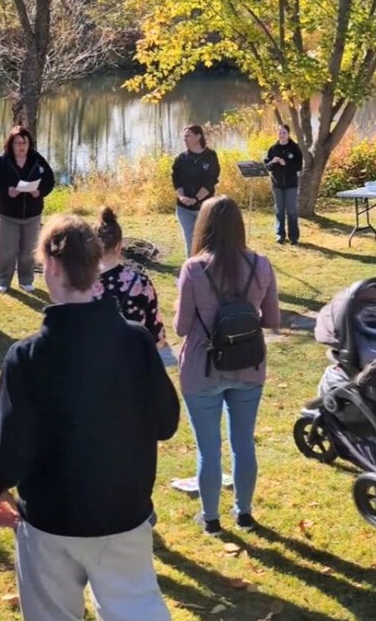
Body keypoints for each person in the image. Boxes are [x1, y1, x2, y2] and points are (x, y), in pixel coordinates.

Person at [0, 216, 203, 621]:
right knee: (136, 609)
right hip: (120, 508)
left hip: (52, 519)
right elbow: (166, 420)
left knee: (56, 619)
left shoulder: (28, 357)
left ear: (54, 268)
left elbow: (10, 442)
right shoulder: (134, 342)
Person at [174, 196, 281, 534]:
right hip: (248, 365)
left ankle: (211, 520)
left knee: (209, 449)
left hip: (202, 367)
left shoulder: (194, 268)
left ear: (203, 227)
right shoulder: (261, 264)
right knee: (243, 443)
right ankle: (244, 514)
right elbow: (273, 319)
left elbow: (180, 327)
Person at [93, 207, 172, 364]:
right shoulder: (140, 282)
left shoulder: (80, 285)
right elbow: (157, 336)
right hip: (134, 366)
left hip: (95, 369)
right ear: (119, 246)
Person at [0, 125, 55, 293]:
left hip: (32, 214)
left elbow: (50, 181)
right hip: (9, 214)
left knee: (28, 251)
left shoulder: (37, 160)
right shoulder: (3, 161)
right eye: (17, 143)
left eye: (25, 142)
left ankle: (26, 280)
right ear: (11, 144)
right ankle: (2, 281)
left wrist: (40, 191)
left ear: (29, 143)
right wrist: (7, 190)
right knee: (6, 250)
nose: (22, 146)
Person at [171, 124, 221, 254]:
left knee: (206, 241)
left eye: (188, 136)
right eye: (184, 136)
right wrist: (182, 197)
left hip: (204, 207)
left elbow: (210, 182)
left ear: (198, 137)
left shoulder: (210, 157)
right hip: (184, 209)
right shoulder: (181, 159)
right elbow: (176, 179)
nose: (185, 139)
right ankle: (192, 271)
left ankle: (209, 269)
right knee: (191, 242)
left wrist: (195, 199)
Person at [266, 124, 303, 244]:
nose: (281, 135)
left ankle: (294, 237)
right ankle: (280, 235)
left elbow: (298, 166)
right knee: (279, 211)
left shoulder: (294, 148)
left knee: (292, 211)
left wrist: (285, 163)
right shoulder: (273, 148)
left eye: (284, 133)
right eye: (280, 132)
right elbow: (267, 166)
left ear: (288, 134)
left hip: (291, 185)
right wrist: (273, 162)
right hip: (277, 185)